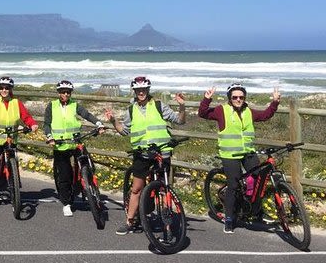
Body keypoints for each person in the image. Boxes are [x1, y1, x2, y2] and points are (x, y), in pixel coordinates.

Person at [105, 76, 186, 235]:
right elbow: (125, 131)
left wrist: (182, 107)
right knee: (136, 189)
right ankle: (130, 221)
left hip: (161, 152)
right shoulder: (131, 110)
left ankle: (167, 226)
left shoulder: (159, 105)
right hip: (141, 154)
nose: (141, 92)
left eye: (144, 89)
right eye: (138, 90)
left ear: (148, 90)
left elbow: (180, 121)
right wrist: (114, 120)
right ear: (134, 91)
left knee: (164, 189)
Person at [199, 82, 280, 234]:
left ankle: (256, 212)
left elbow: (265, 115)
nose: (238, 99)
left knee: (258, 179)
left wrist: (275, 103)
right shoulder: (221, 111)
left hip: (248, 152)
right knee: (234, 185)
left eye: (241, 97)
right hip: (230, 155)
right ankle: (229, 218)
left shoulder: (249, 112)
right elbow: (203, 113)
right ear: (229, 98)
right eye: (235, 97)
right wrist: (206, 99)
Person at [44, 80, 104, 217]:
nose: (65, 94)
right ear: (58, 93)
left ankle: (88, 187)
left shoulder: (75, 105)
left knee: (88, 164)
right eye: (63, 92)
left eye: (68, 92)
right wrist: (49, 136)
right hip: (60, 144)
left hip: (76, 141)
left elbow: (87, 115)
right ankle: (66, 203)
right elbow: (47, 124)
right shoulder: (51, 106)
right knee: (64, 175)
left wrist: (99, 123)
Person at [0, 76, 38, 205]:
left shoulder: (17, 103)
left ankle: (13, 184)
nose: (4, 90)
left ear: (10, 89)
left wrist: (32, 124)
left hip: (10, 140)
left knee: (12, 163)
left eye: (7, 88)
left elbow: (26, 116)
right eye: (2, 88)